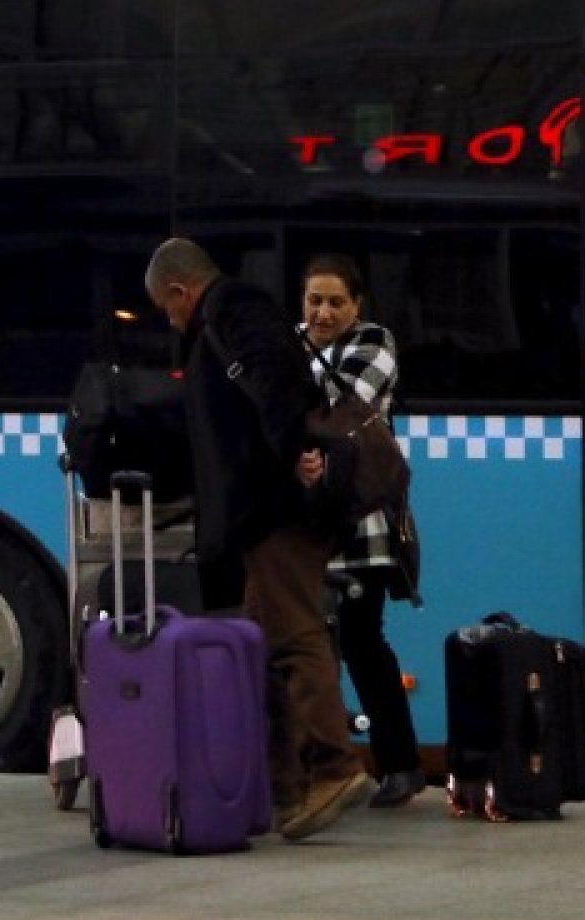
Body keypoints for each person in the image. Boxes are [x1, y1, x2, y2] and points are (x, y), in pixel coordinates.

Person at [144, 236, 372, 841]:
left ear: (179, 290)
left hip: (274, 510)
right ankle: (282, 782)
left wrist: (292, 452)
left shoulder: (236, 311)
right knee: (263, 648)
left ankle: (333, 766)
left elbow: (278, 384)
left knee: (293, 636)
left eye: (167, 309)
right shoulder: (227, 318)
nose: (171, 321)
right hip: (259, 512)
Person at [299, 253, 426, 809]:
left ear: (356, 305)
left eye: (335, 302)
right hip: (308, 526)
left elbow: (340, 402)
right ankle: (317, 766)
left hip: (363, 525)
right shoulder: (293, 343)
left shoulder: (375, 342)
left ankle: (400, 764)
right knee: (306, 648)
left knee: (362, 643)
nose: (323, 313)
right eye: (314, 301)